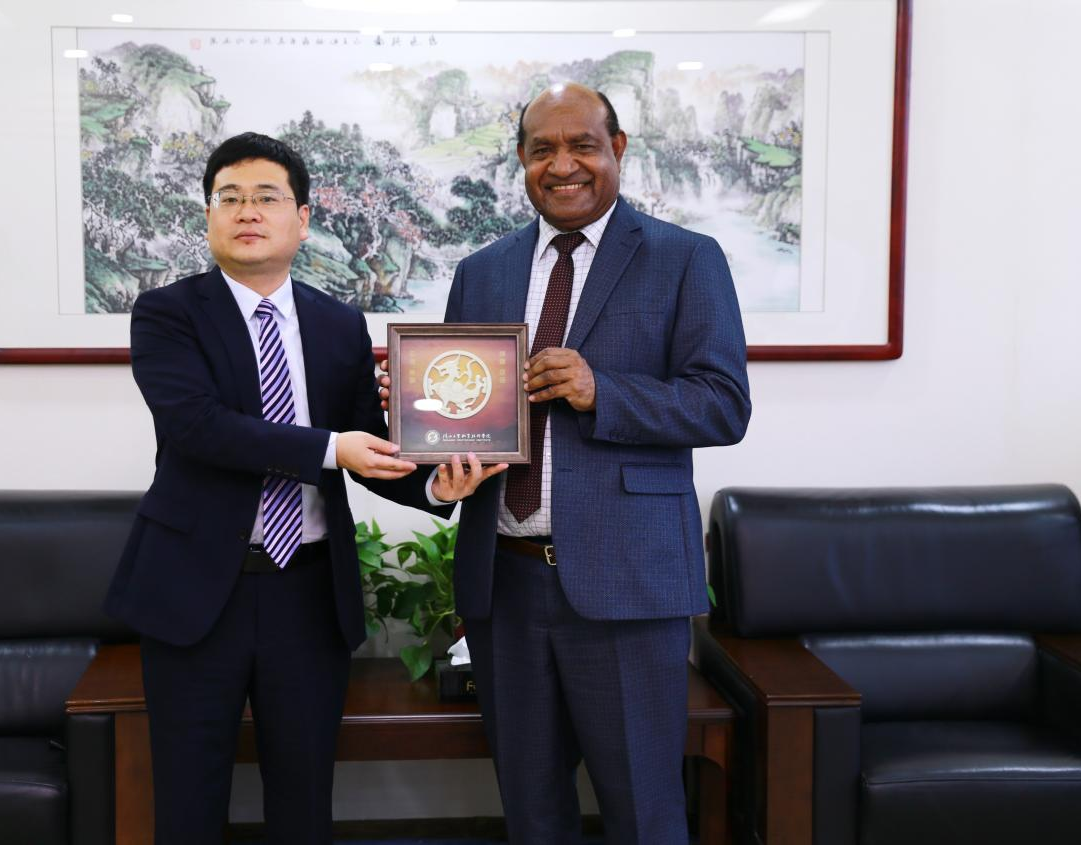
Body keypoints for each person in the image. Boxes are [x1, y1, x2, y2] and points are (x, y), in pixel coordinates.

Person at [381, 83, 751, 844]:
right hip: (505, 582)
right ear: (521, 159)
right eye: (542, 149)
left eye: (582, 145)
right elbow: (463, 410)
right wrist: (431, 438)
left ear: (618, 149)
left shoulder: (685, 258)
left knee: (644, 812)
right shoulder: (481, 270)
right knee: (532, 812)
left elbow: (722, 405)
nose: (563, 165)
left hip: (626, 582)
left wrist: (600, 390)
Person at [103, 132, 498, 844]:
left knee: (304, 794)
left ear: (303, 218)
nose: (247, 211)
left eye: (267, 197)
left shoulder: (337, 323)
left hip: (308, 592)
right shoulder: (167, 313)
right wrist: (328, 448)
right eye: (229, 198)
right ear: (209, 215)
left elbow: (368, 442)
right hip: (197, 590)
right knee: (188, 799)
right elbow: (198, 426)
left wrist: (438, 486)